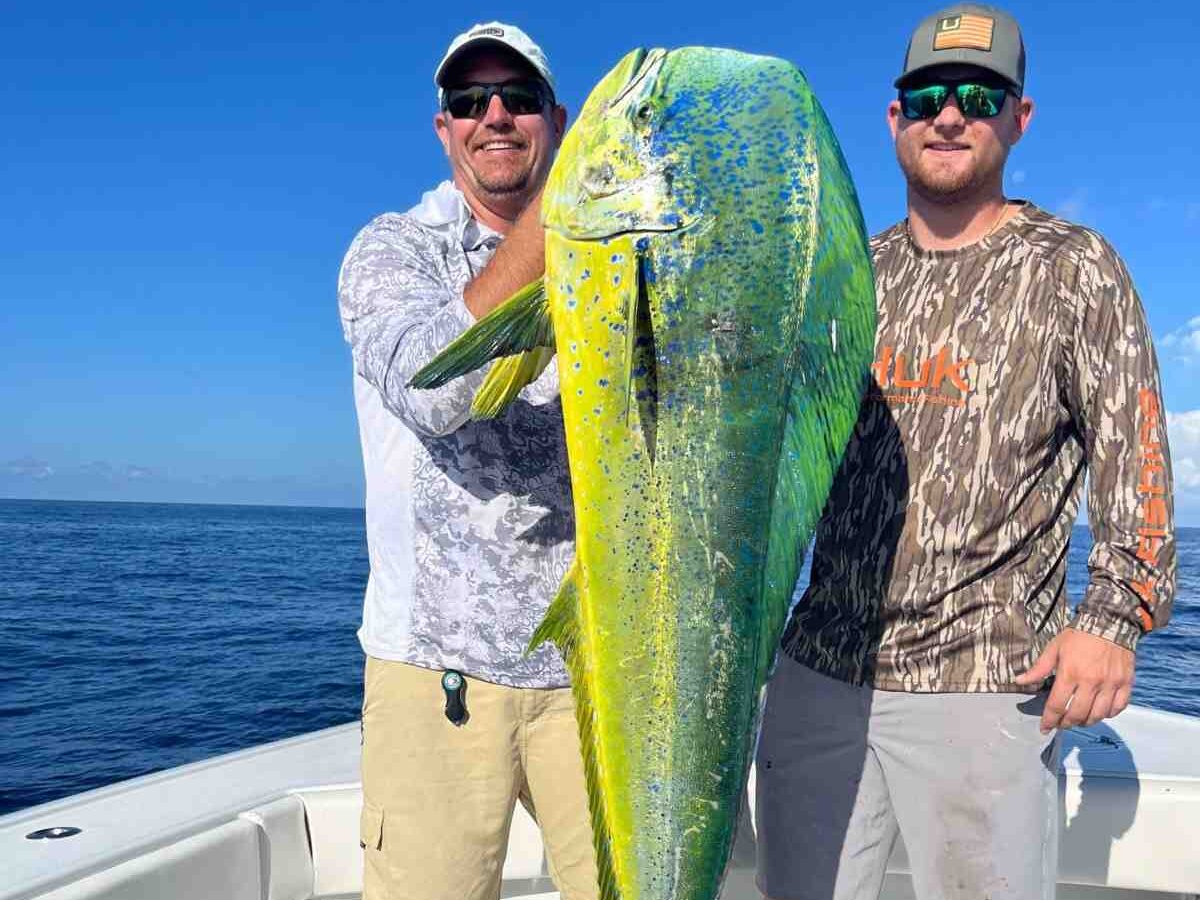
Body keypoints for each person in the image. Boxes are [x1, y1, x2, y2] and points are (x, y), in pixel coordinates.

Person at [755, 5, 1176, 900]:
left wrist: (1112, 618)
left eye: (979, 96)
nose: (950, 114)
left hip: (988, 687)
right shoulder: (844, 280)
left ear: (1019, 118)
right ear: (894, 117)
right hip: (817, 674)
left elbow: (1136, 459)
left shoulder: (1076, 267)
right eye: (928, 94)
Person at [337, 22, 598, 900]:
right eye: (469, 101)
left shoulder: (618, 261)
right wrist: (560, 221)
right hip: (433, 676)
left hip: (596, 672)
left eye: (518, 99)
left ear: (554, 121)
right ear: (443, 126)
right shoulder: (393, 250)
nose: (494, 115)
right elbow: (437, 387)